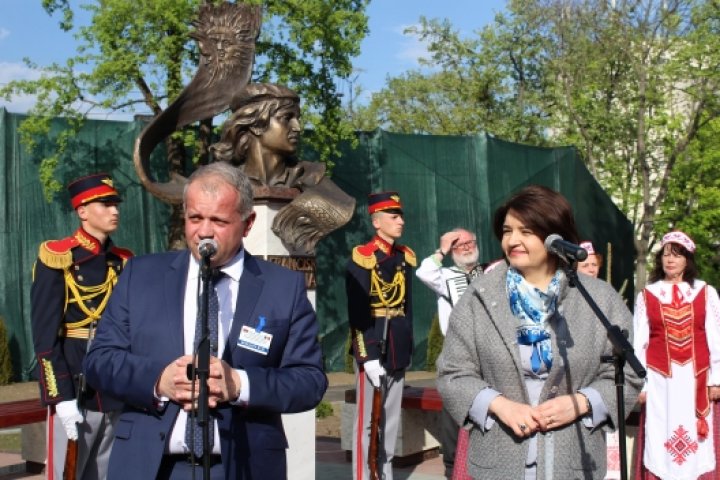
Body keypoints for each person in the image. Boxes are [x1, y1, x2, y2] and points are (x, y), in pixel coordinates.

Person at [83, 162, 327, 479]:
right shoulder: (140, 276)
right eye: (195, 218)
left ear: (248, 223)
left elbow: (310, 381)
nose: (204, 232)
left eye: (219, 220)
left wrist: (241, 384)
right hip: (151, 467)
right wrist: (158, 380)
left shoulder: (283, 288)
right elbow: (99, 362)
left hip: (245, 466)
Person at [437, 184, 642, 479]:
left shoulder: (598, 298)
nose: (513, 240)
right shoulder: (479, 296)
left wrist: (581, 403)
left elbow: (628, 373)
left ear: (554, 236)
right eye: (508, 231)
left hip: (574, 461)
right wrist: (499, 405)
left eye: (527, 231)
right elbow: (453, 372)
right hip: (498, 461)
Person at [30, 173, 133, 480]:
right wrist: (59, 398)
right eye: (105, 203)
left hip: (113, 383)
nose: (115, 210)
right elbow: (45, 340)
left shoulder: (122, 261)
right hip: (74, 382)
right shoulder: (58, 258)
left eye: (116, 203)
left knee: (108, 472)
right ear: (82, 211)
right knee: (69, 473)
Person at [211, 82, 355, 254]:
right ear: (256, 125)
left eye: (297, 119)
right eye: (287, 118)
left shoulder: (313, 179)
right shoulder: (223, 182)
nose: (297, 127)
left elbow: (342, 207)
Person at [632, 231, 720, 480]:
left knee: (698, 437)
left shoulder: (705, 292)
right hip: (661, 381)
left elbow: (716, 336)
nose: (670, 260)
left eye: (677, 255)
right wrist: (642, 383)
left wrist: (717, 379)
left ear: (687, 260)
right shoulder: (647, 295)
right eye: (666, 255)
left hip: (696, 379)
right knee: (661, 433)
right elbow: (640, 343)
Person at [346, 191, 416, 480]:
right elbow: (357, 314)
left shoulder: (404, 257)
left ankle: (383, 474)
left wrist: (407, 345)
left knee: (389, 421)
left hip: (397, 346)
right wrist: (367, 357)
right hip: (373, 344)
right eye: (393, 216)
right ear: (377, 221)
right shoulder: (363, 258)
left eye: (400, 215)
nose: (400, 221)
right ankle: (364, 475)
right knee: (367, 422)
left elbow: (407, 308)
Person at [416, 228, 482, 478]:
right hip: (456, 352)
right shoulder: (444, 276)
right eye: (459, 245)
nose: (466, 247)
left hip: (486, 353)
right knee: (454, 412)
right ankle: (453, 469)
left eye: (469, 242)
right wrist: (441, 249)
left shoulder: (490, 273)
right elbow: (424, 272)